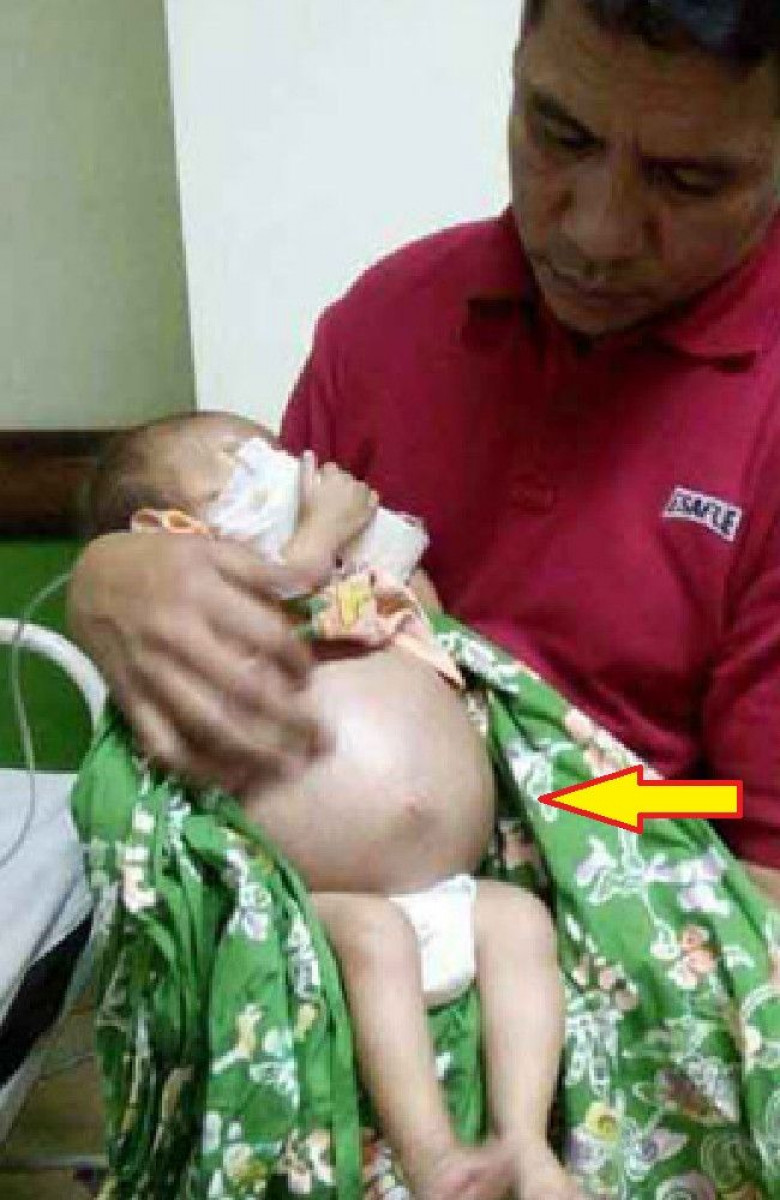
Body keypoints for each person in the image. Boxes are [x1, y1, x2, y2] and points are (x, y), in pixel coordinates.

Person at [69, 0, 780, 1118]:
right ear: (518, 66)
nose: (597, 231)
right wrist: (113, 575)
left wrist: (575, 801)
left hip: (630, 902)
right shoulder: (387, 323)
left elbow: (750, 824)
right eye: (560, 134)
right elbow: (279, 620)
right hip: (346, 936)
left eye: (688, 181)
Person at [83, 410, 583, 1200]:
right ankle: (434, 1158)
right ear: (176, 533)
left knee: (520, 921)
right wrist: (314, 535)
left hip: (451, 885)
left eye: (278, 453)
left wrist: (383, 556)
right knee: (380, 941)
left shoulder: (351, 587)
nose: (283, 467)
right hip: (330, 907)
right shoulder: (205, 622)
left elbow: (433, 618)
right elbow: (276, 592)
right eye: (239, 459)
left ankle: (523, 1139)